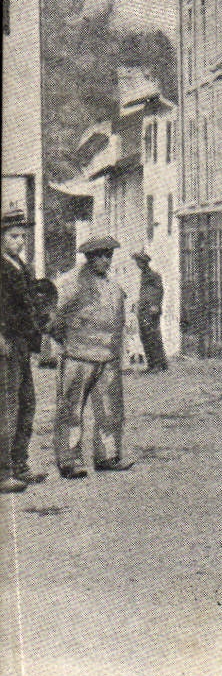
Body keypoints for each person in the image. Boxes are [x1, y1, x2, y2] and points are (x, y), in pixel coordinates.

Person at [48, 237, 133, 478]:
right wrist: (65, 341)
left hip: (108, 357)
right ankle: (69, 460)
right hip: (78, 356)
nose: (105, 260)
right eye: (100, 256)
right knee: (71, 410)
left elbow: (119, 321)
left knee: (110, 410)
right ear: (89, 257)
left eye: (108, 255)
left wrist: (120, 353)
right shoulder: (70, 282)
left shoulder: (113, 286)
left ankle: (108, 456)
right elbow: (53, 316)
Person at [1, 207, 54, 493]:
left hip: (20, 343)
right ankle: (3, 472)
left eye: (23, 236)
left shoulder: (20, 265)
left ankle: (19, 464)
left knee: (26, 404)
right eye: (13, 236)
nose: (20, 241)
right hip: (5, 343)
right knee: (6, 407)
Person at [133, 252, 168, 373]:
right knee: (145, 336)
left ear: (144, 262)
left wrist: (155, 305)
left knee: (153, 336)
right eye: (137, 262)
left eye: (139, 262)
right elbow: (145, 293)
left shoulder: (153, 275)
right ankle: (152, 364)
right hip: (143, 309)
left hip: (151, 310)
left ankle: (158, 364)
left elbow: (159, 290)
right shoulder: (144, 275)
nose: (137, 264)